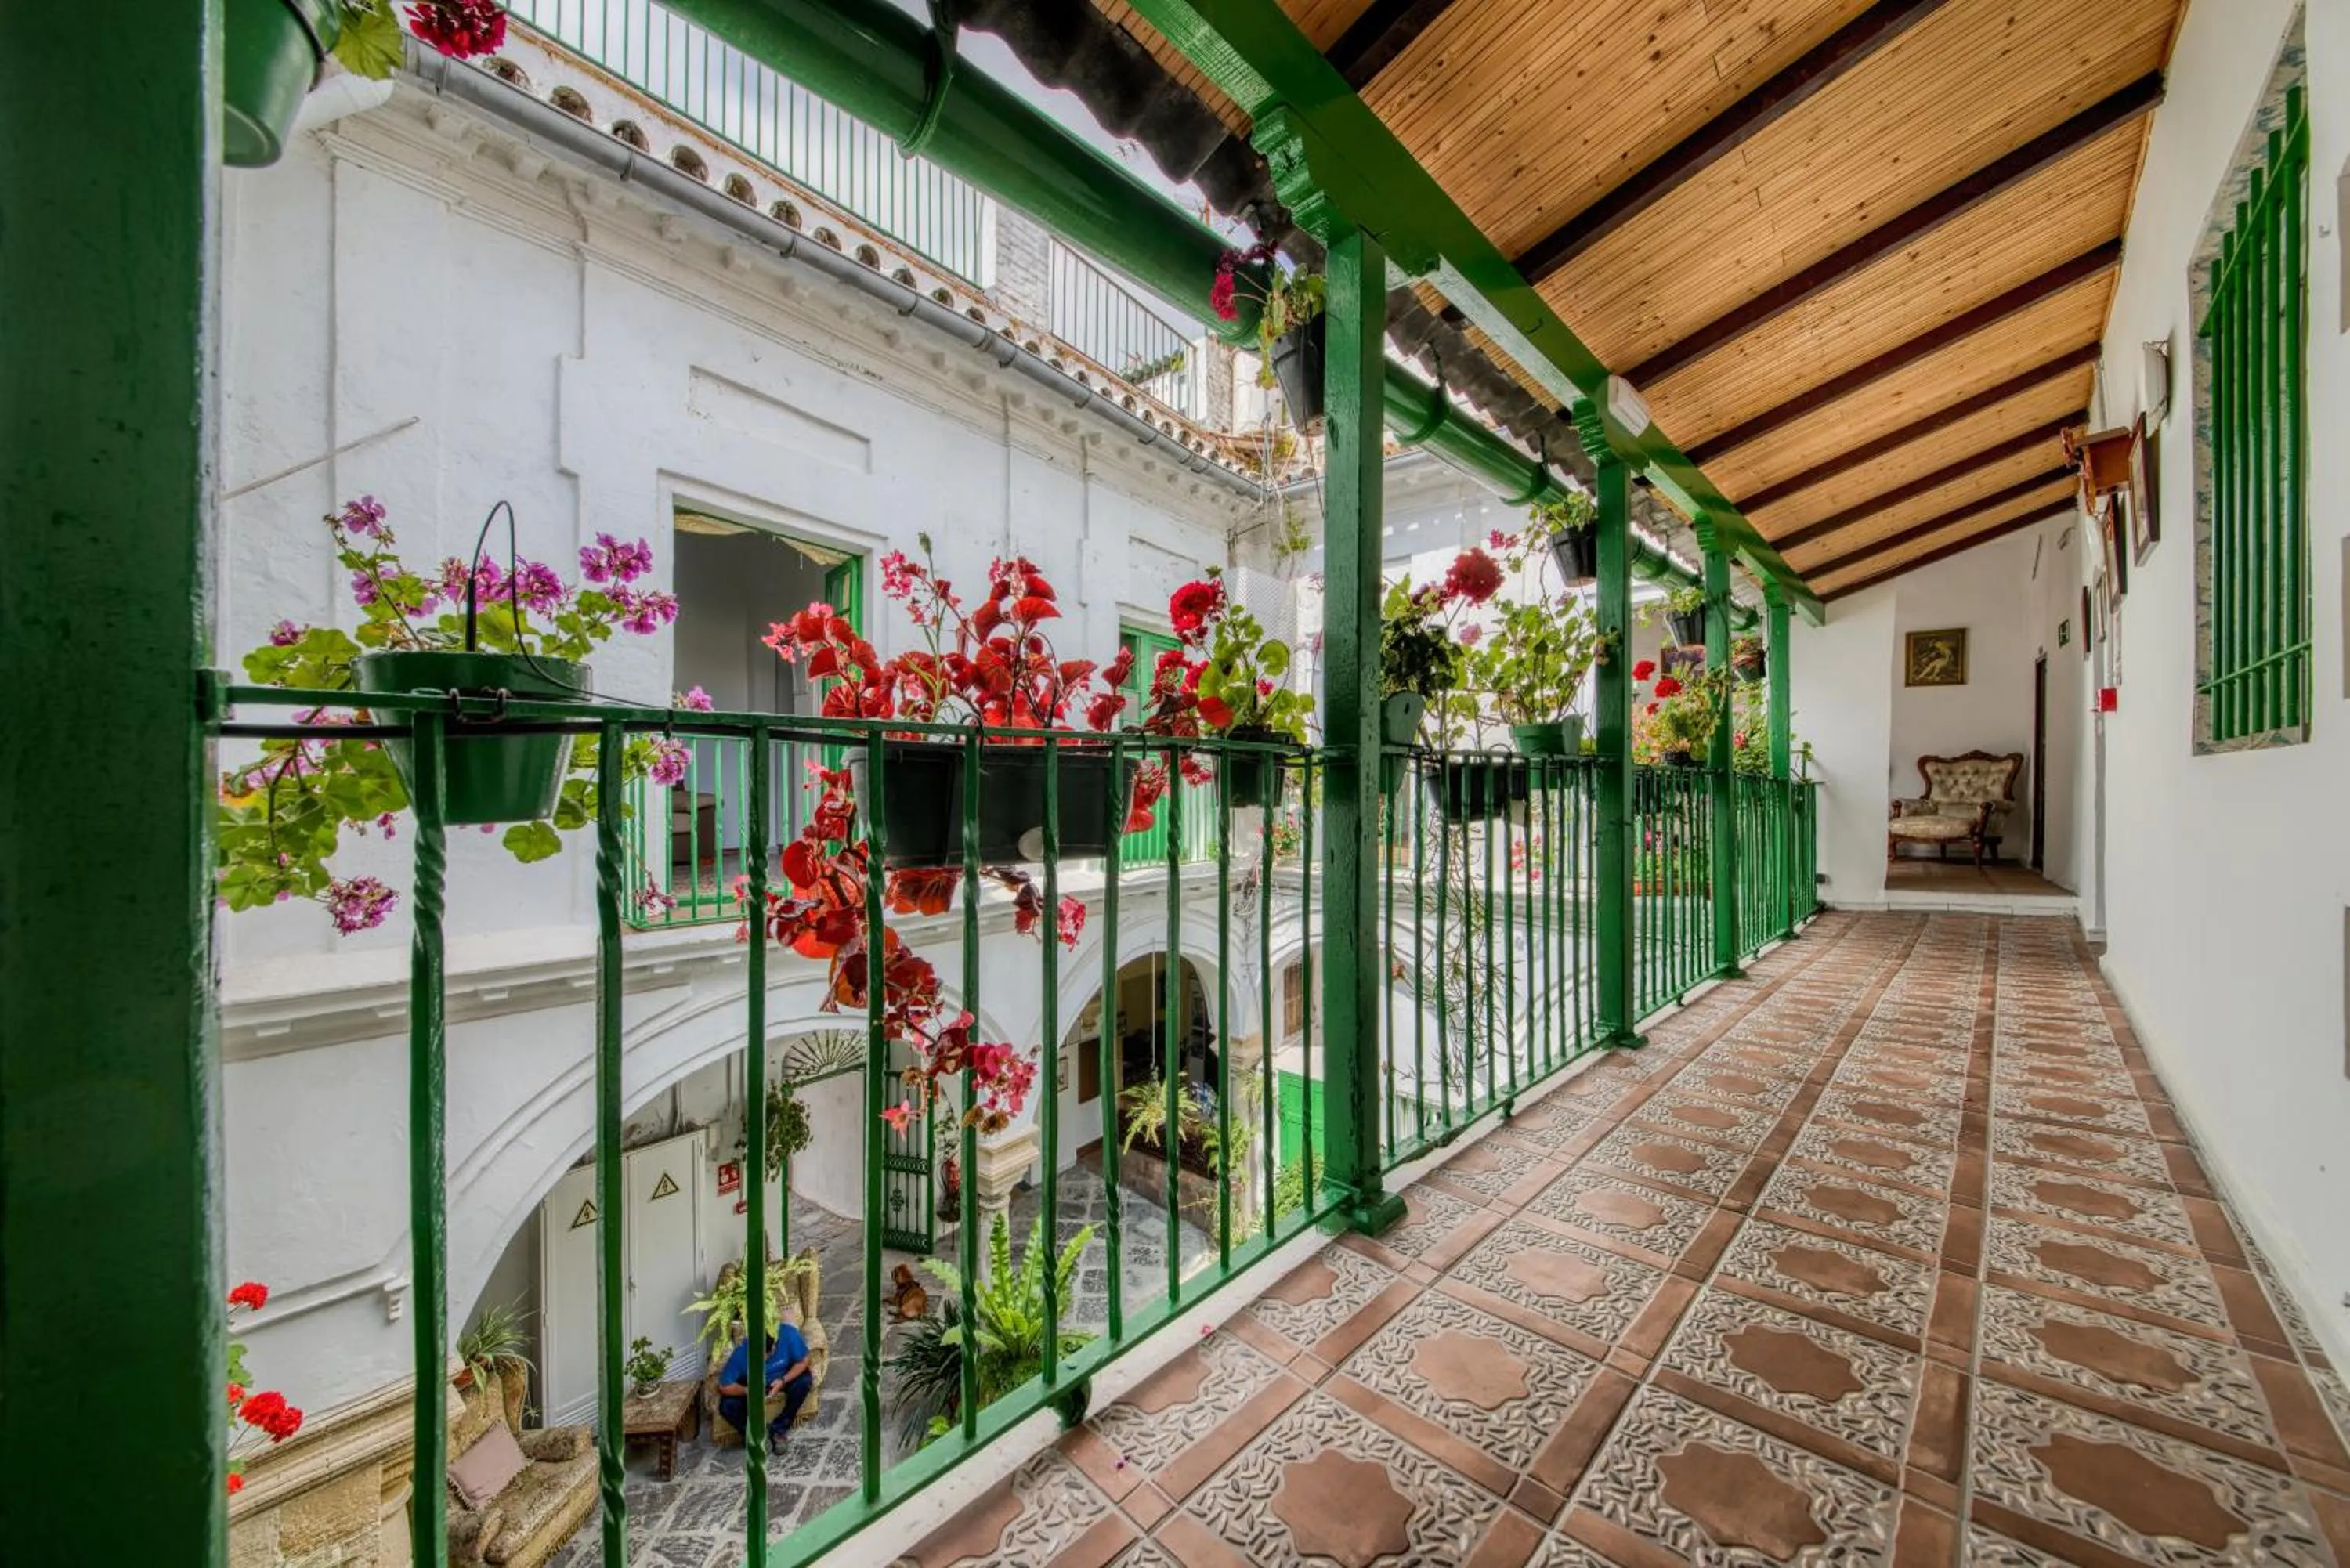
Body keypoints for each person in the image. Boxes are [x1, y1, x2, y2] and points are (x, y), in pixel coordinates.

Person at [715, 1320, 813, 1448]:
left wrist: (783, 1381)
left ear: (773, 1347)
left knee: (804, 1381)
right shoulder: (741, 1351)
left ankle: (779, 1429)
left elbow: (804, 1361)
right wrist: (748, 1391)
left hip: (782, 1376)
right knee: (727, 1406)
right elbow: (724, 1386)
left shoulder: (788, 1334)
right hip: (751, 1383)